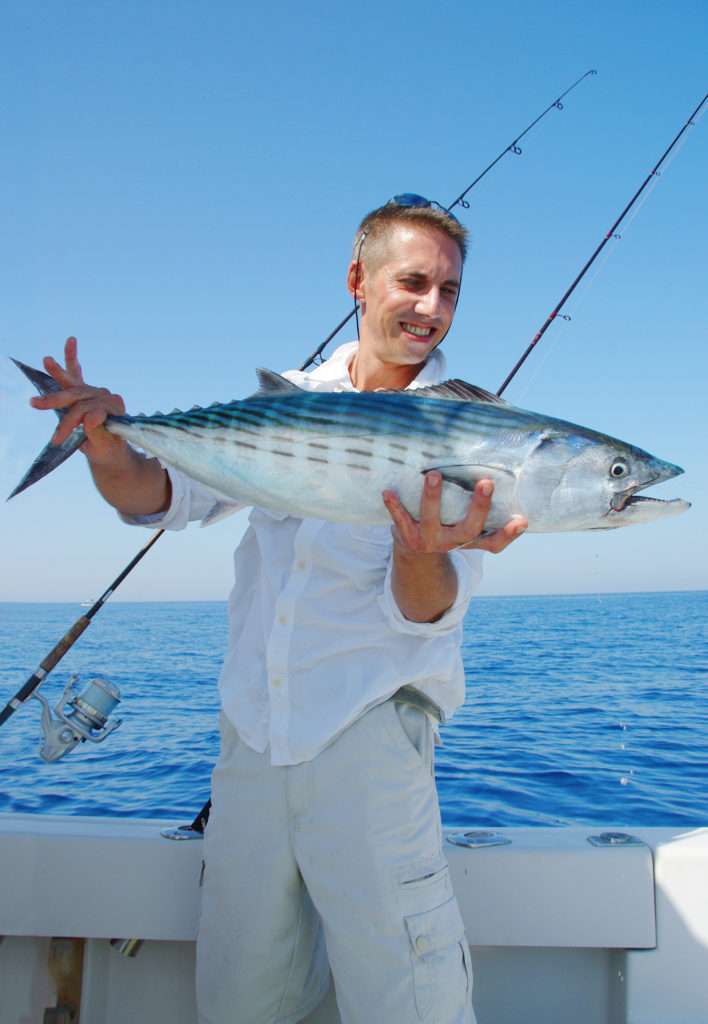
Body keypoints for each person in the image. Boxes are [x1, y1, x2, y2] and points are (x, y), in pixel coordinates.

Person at [32, 197, 526, 1024]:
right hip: (252, 743)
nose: (432, 309)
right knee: (244, 998)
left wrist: (422, 548)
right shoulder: (284, 401)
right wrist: (108, 441)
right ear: (357, 283)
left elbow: (427, 614)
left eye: (450, 292)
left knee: (408, 1003)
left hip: (371, 738)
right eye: (412, 282)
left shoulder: (469, 431)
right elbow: (159, 493)